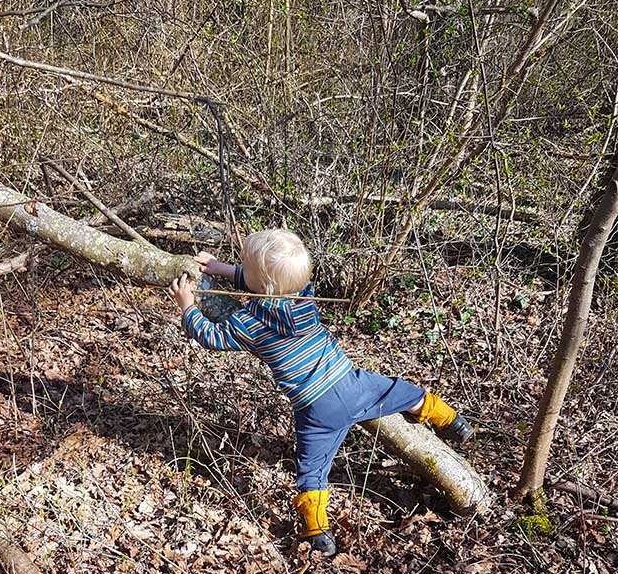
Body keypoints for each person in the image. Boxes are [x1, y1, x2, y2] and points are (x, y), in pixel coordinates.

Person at [168, 229, 473, 555]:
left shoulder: (248, 323)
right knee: (404, 393)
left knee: (312, 470)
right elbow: (269, 284)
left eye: (246, 269)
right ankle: (452, 421)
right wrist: (223, 268)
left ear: (261, 286)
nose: (242, 271)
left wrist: (187, 305)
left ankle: (318, 533)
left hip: (316, 408)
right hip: (351, 385)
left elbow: (212, 337)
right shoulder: (305, 300)